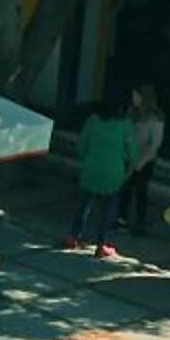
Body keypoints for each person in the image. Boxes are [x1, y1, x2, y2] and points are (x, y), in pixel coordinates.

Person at [64, 94, 134, 255]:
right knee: (107, 211)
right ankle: (101, 245)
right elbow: (132, 152)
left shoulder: (92, 121)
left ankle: (73, 237)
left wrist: (88, 159)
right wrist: (128, 168)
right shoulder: (125, 125)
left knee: (83, 205)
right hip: (113, 172)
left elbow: (81, 146)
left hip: (91, 168)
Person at [120, 84, 165, 235]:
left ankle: (140, 223)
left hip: (145, 160)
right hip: (129, 157)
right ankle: (121, 219)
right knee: (125, 189)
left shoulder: (156, 118)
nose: (133, 99)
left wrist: (141, 162)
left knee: (141, 191)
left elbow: (155, 144)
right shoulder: (131, 113)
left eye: (136, 96)